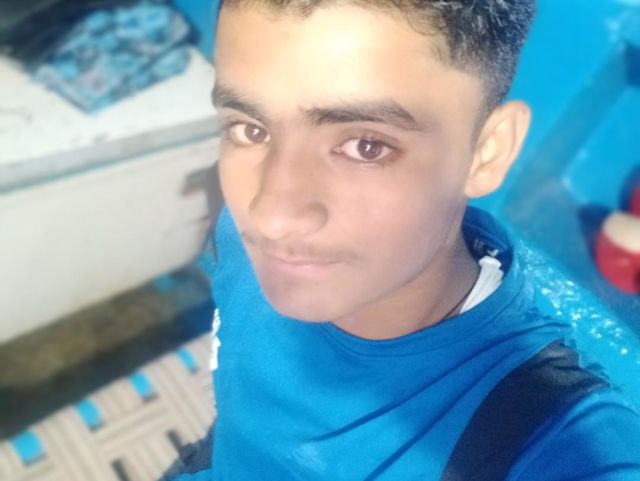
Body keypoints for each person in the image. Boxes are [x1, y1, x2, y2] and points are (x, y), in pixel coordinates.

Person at [167, 0, 640, 479]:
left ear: (486, 153)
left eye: (366, 146)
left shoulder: (552, 440)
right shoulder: (238, 233)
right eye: (250, 129)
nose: (271, 217)